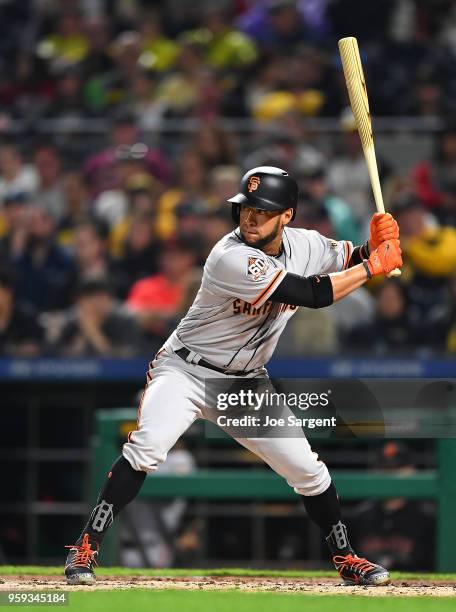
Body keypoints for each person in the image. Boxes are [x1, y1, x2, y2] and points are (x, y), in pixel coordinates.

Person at [64, 166, 402, 586]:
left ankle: (346, 557)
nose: (251, 217)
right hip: (187, 370)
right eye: (245, 208)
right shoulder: (228, 256)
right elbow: (312, 294)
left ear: (287, 216)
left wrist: (379, 243)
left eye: (263, 210)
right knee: (147, 447)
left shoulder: (307, 244)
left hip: (244, 383)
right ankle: (85, 547)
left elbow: (348, 256)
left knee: (308, 471)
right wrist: (373, 267)